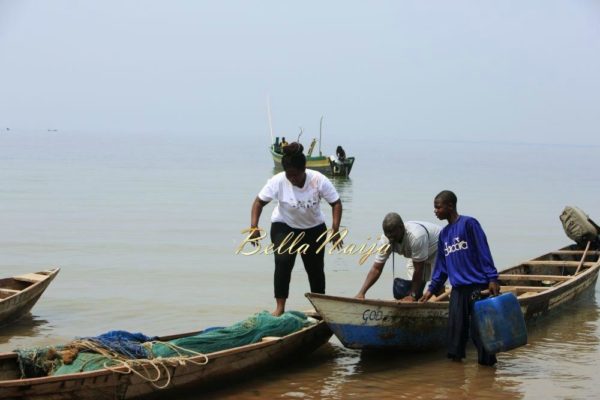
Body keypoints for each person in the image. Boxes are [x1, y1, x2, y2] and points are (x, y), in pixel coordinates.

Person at [249, 142, 343, 316]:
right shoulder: (278, 181)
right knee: (283, 262)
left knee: (315, 269)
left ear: (304, 169)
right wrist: (254, 227)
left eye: (296, 175)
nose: (292, 179)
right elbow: (258, 202)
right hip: (284, 226)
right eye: (289, 175)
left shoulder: (318, 180)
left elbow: (336, 202)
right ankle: (280, 307)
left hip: (314, 228)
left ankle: (319, 307)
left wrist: (335, 229)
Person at [420, 190, 500, 366]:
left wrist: (493, 278)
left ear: (450, 206)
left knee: (481, 333)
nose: (435, 211)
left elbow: (483, 251)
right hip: (457, 291)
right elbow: (441, 267)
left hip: (478, 288)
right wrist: (431, 289)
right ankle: (455, 377)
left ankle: (487, 371)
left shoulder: (469, 224)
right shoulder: (444, 234)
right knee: (455, 335)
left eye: (438, 207)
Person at [355, 212, 441, 302]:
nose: (391, 240)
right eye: (388, 236)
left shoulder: (416, 236)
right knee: (414, 290)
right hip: (417, 255)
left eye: (393, 236)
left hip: (438, 250)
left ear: (401, 227)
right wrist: (362, 293)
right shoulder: (385, 240)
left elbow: (418, 269)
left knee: (438, 289)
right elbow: (376, 268)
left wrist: (412, 295)